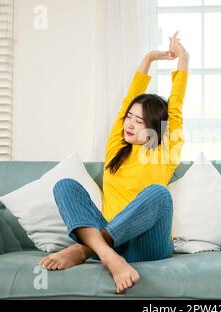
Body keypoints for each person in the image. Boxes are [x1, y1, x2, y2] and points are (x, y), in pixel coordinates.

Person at [38, 31, 189, 294]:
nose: (130, 124)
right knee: (64, 185)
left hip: (147, 244)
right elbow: (128, 99)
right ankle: (109, 256)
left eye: (139, 121)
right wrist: (149, 58)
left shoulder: (165, 151)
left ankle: (87, 248)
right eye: (130, 117)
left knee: (159, 194)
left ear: (155, 127)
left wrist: (183, 57)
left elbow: (175, 105)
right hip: (114, 246)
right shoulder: (117, 146)